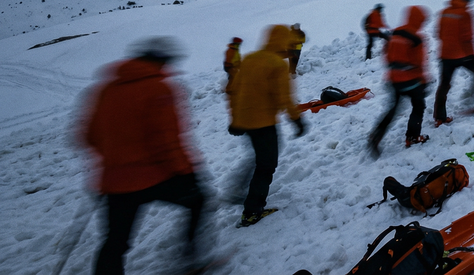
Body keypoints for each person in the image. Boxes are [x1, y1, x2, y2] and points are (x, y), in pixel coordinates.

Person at [81, 37, 210, 274]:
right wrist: (187, 172)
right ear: (160, 61)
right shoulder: (158, 88)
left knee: (115, 242)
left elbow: (88, 135)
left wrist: (115, 159)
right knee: (198, 200)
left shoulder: (105, 89)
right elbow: (167, 140)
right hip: (155, 177)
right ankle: (190, 258)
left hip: (114, 181)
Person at [227, 25, 306, 227]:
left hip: (246, 121)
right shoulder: (277, 65)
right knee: (266, 165)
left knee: (259, 158)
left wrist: (235, 119)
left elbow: (234, 90)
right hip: (263, 123)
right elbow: (285, 98)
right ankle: (252, 211)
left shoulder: (249, 59)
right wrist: (297, 120)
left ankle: (238, 191)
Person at [368, 6, 431, 156]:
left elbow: (386, 55)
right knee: (418, 106)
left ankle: (376, 136)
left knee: (393, 109)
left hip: (393, 79)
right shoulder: (416, 38)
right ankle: (413, 137)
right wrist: (423, 80)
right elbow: (420, 63)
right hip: (411, 81)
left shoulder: (395, 33)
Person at [434, 0, 474, 126]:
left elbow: (438, 34)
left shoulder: (444, 12)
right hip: (463, 54)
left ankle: (439, 117)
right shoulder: (466, 13)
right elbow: (468, 37)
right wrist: (473, 55)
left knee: (444, 85)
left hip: (445, 55)